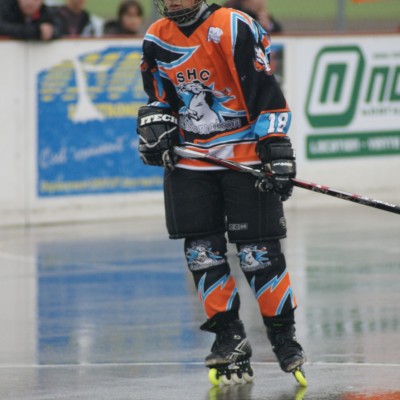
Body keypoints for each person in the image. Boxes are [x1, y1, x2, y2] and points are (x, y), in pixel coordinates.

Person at [136, 0, 306, 386]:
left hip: (244, 156)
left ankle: (283, 335)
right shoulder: (156, 36)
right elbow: (159, 96)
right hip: (191, 160)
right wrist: (156, 124)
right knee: (201, 252)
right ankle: (228, 334)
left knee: (257, 253)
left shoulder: (231, 25)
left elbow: (264, 88)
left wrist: (275, 144)